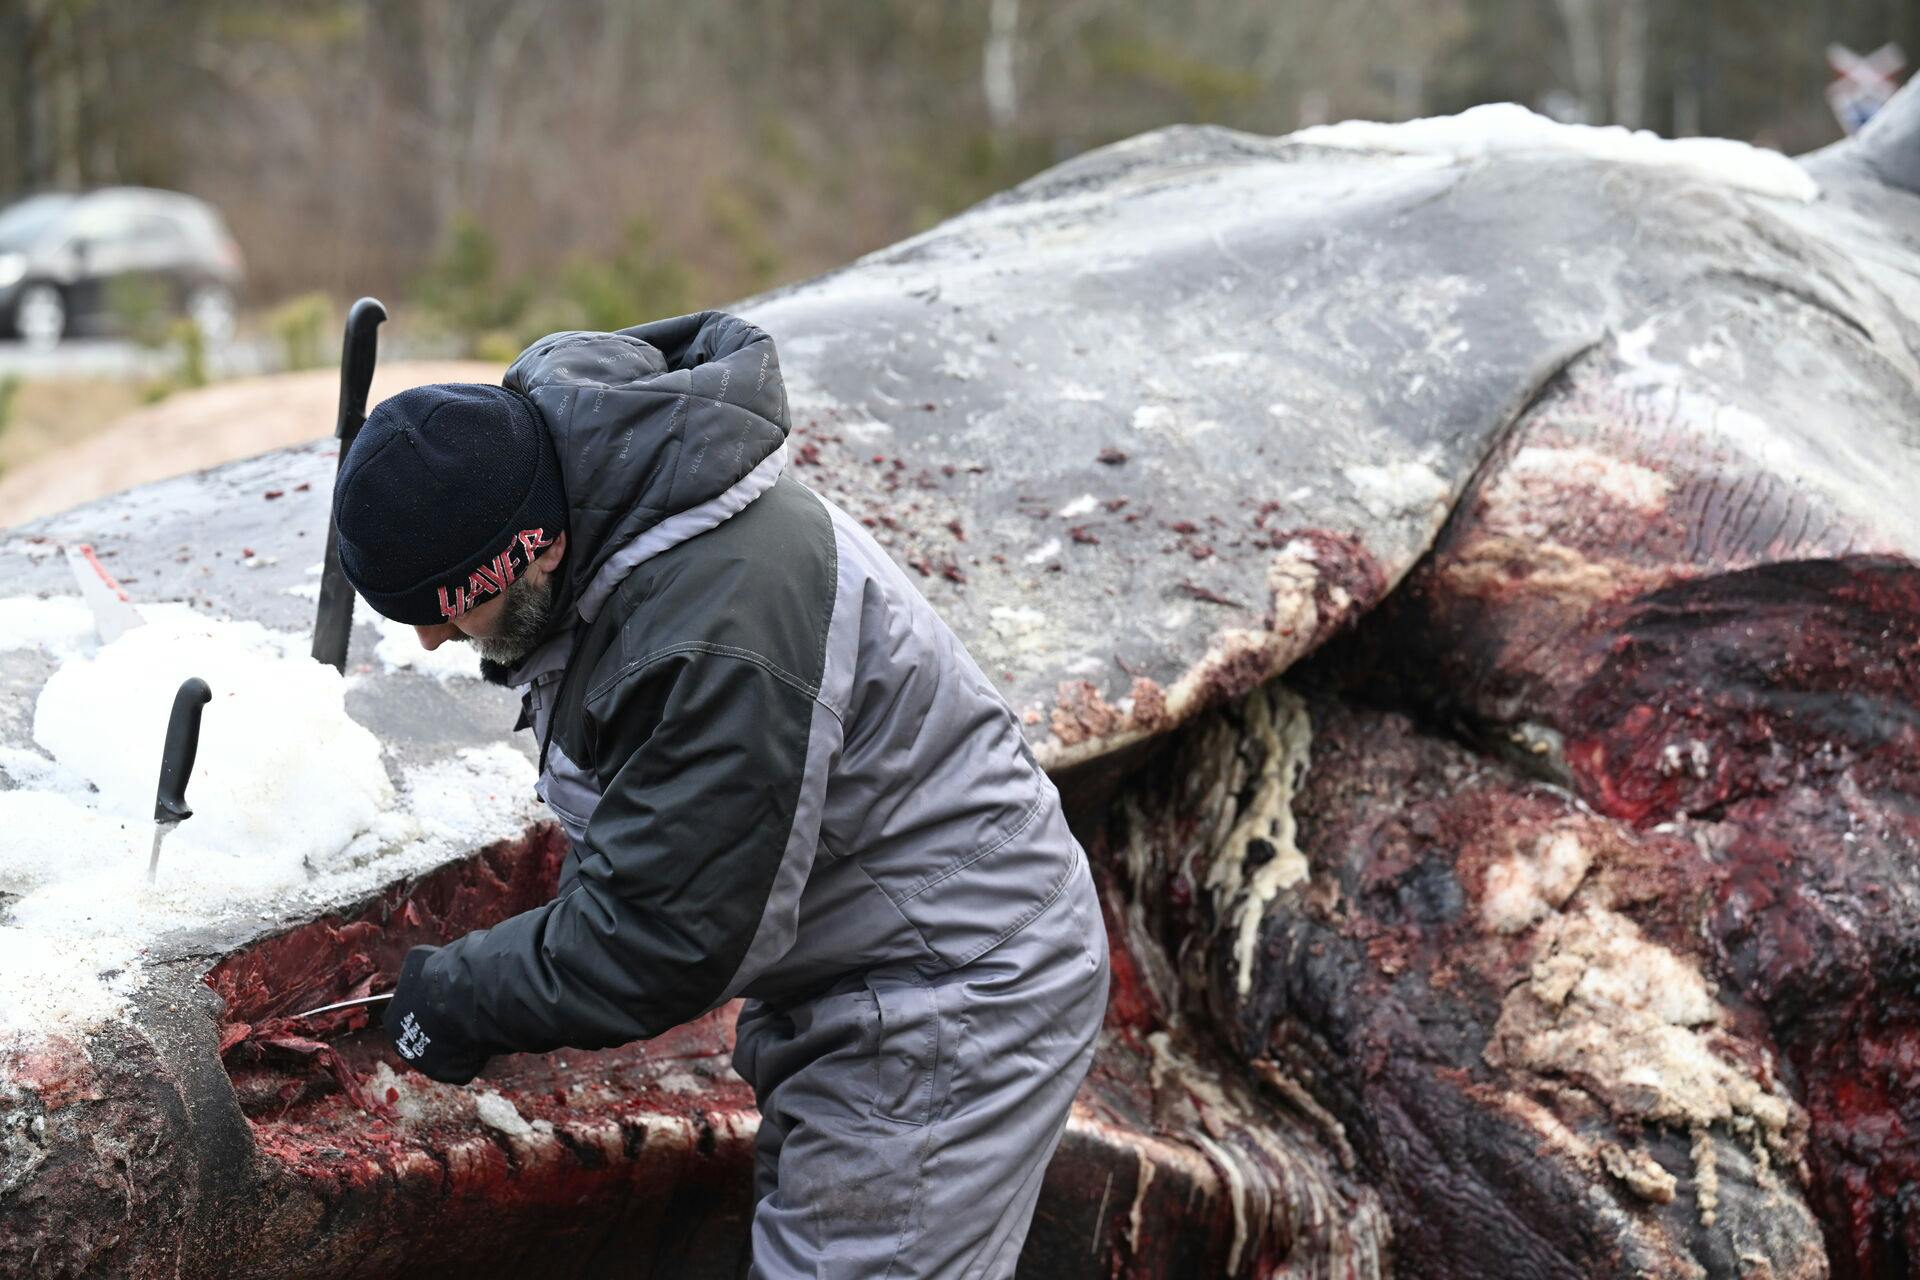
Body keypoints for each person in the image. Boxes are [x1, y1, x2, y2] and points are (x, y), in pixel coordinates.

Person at [330, 310, 1110, 1277]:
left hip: (947, 988)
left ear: (523, 547)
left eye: (448, 609)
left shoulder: (713, 630)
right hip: (858, 958)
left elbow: (663, 938)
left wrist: (459, 998)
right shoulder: (604, 508)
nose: (434, 644)